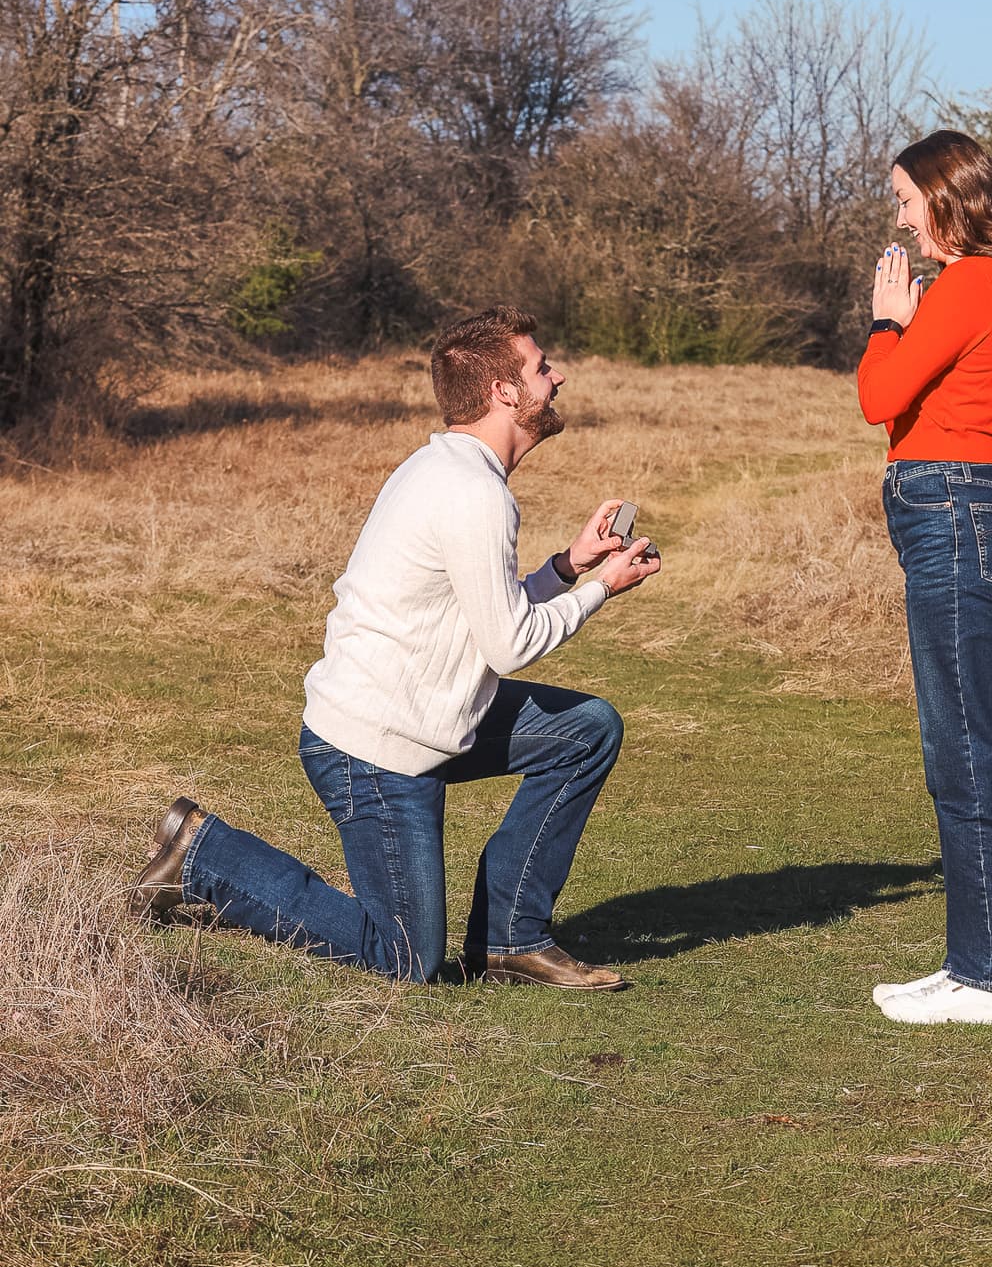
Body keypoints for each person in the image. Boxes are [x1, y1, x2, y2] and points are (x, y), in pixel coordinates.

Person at [130, 305, 661, 989]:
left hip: (432, 714)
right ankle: (204, 857)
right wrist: (602, 590)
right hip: (374, 748)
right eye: (540, 366)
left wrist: (567, 566)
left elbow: (480, 614)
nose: (557, 376)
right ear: (504, 392)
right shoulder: (473, 492)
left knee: (587, 731)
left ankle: (509, 938)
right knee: (404, 955)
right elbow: (508, 646)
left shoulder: (448, 471)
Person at [858, 131, 992, 1026]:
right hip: (952, 515)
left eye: (905, 198)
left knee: (968, 758)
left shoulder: (976, 281)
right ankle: (973, 963)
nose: (900, 216)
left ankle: (989, 981)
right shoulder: (981, 284)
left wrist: (885, 323)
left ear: (946, 195)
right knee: (958, 755)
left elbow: (878, 396)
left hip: (955, 515)